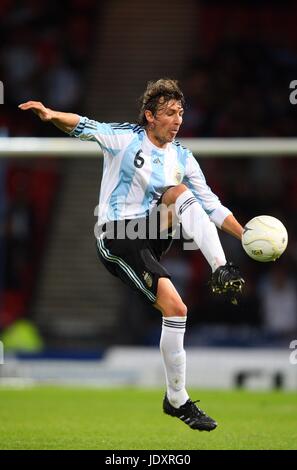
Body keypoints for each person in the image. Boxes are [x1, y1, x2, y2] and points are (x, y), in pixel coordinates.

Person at [19, 78, 245, 432]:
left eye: (181, 113)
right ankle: (178, 400)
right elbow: (82, 125)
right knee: (177, 308)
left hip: (151, 233)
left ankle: (222, 268)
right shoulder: (125, 138)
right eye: (170, 113)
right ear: (150, 116)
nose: (178, 120)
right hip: (117, 235)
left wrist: (244, 236)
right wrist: (50, 115)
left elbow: (212, 206)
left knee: (182, 193)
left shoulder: (182, 157)